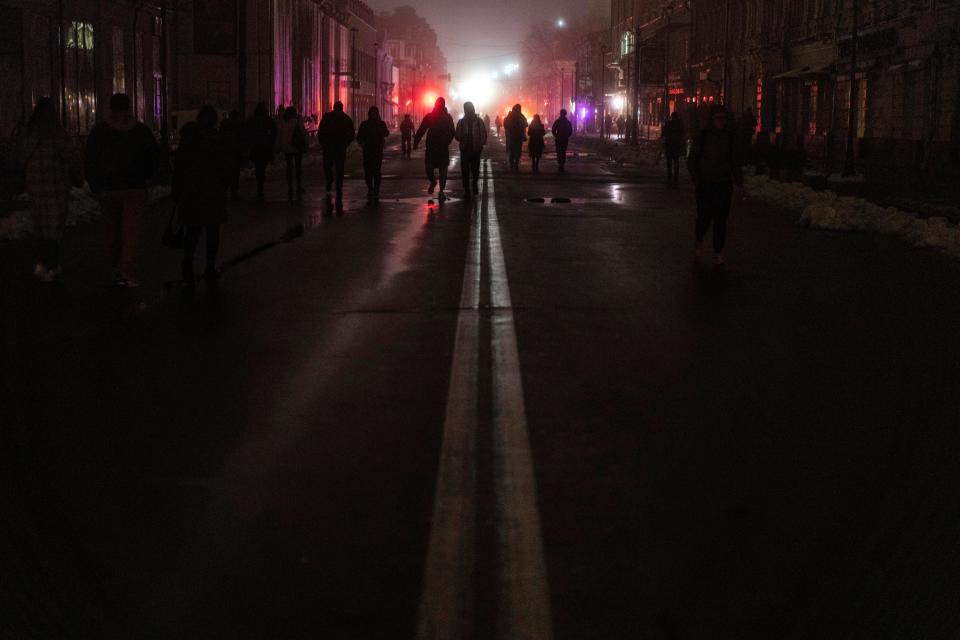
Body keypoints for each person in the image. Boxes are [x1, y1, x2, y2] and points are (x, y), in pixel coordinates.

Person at [84, 92, 159, 287]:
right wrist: (147, 177)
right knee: (131, 231)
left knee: (112, 228)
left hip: (108, 188)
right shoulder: (141, 131)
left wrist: (95, 184)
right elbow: (153, 157)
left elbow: (90, 160)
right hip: (135, 186)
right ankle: (126, 270)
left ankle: (115, 264)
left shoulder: (99, 132)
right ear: (129, 107)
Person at [19, 98, 84, 281]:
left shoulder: (28, 137)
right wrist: (78, 178)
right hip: (56, 186)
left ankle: (42, 264)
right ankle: (50, 265)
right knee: (54, 227)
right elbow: (72, 158)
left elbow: (20, 159)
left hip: (35, 187)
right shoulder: (58, 136)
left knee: (40, 225)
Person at [172, 106, 232, 285]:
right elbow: (225, 167)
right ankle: (209, 266)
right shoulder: (217, 140)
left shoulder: (188, 140)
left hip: (191, 191)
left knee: (192, 231)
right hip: (213, 192)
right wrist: (224, 183)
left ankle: (187, 264)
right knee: (212, 231)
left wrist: (178, 190)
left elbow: (179, 168)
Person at [687, 104, 744, 266]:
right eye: (718, 118)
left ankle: (718, 250)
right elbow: (692, 161)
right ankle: (699, 241)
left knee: (721, 220)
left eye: (724, 119)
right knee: (704, 218)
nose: (721, 122)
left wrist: (738, 181)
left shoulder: (729, 137)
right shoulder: (703, 137)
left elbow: (734, 161)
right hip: (706, 184)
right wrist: (698, 181)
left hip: (723, 184)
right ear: (712, 120)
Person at [414, 97, 456, 202]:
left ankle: (441, 191)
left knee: (443, 171)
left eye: (441, 104)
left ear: (443, 105)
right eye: (438, 104)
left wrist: (447, 141)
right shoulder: (430, 116)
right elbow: (422, 129)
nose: (439, 106)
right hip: (431, 147)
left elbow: (452, 131)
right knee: (428, 169)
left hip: (442, 148)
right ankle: (433, 181)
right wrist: (416, 141)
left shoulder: (448, 118)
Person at [317, 101, 355, 207]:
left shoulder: (329, 117)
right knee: (337, 166)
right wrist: (346, 142)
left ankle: (334, 183)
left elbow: (321, 130)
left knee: (332, 166)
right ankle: (336, 183)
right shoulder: (345, 119)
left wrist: (323, 142)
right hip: (336, 147)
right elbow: (351, 132)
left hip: (332, 146)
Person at [355, 106, 391, 203]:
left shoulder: (370, 124)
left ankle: (374, 188)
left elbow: (386, 133)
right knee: (371, 171)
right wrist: (362, 143)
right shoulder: (369, 124)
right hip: (370, 151)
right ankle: (372, 188)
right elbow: (359, 137)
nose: (373, 115)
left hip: (374, 151)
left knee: (374, 170)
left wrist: (362, 143)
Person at [455, 101, 488, 198]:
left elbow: (483, 134)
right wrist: (462, 137)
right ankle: (467, 189)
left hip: (475, 149)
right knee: (465, 171)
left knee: (475, 170)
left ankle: (474, 184)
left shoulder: (478, 121)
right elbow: (457, 135)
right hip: (465, 149)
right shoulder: (461, 122)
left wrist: (481, 144)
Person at [246, 102, 278, 200]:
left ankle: (259, 186)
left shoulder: (252, 120)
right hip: (265, 147)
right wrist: (271, 143)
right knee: (262, 167)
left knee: (258, 166)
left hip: (256, 147)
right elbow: (274, 132)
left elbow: (248, 132)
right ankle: (260, 186)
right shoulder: (268, 120)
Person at [277, 106, 308, 201]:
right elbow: (303, 133)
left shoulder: (283, 123)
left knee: (289, 167)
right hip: (296, 147)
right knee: (298, 167)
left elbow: (280, 135)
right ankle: (298, 185)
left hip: (287, 148)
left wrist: (279, 146)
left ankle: (290, 186)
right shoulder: (297, 122)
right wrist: (306, 144)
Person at [219, 109, 245, 201]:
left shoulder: (224, 123)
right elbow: (242, 138)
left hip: (226, 152)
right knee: (235, 173)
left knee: (227, 172)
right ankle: (234, 192)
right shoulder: (239, 124)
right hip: (235, 152)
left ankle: (226, 190)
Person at [661, 111, 686, 186]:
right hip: (676, 145)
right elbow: (683, 133)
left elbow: (663, 133)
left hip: (669, 145)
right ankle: (676, 177)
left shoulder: (668, 124)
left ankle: (669, 177)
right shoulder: (680, 124)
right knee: (676, 161)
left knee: (669, 162)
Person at [503, 104, 528, 172]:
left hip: (514, 136)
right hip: (515, 136)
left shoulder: (513, 116)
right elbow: (526, 124)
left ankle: (514, 163)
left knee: (514, 150)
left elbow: (505, 124)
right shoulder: (519, 116)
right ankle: (514, 162)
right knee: (516, 150)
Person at [551, 108, 574, 173]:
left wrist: (556, 136)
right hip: (564, 139)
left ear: (560, 113)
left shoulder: (557, 121)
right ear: (565, 114)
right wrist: (567, 136)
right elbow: (570, 131)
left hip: (558, 139)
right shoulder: (567, 122)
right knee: (563, 152)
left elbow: (553, 130)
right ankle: (562, 164)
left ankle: (560, 163)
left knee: (559, 151)